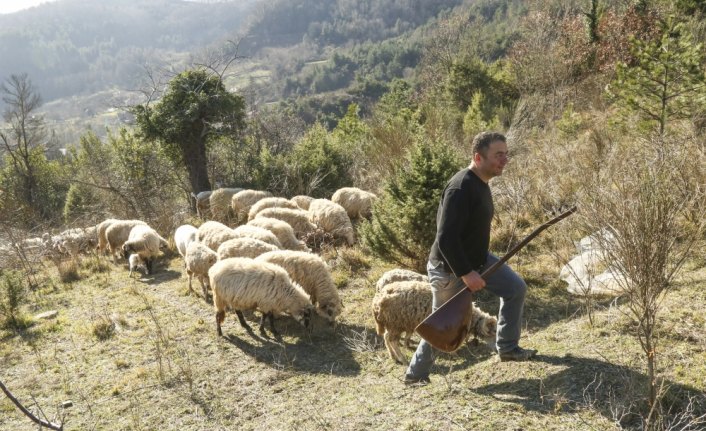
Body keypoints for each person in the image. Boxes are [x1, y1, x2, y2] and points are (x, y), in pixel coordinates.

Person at [404, 131, 536, 386]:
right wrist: (465, 273)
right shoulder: (460, 187)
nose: (504, 160)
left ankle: (507, 347)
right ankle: (415, 375)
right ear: (478, 157)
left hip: (477, 260)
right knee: (445, 324)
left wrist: (473, 265)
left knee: (515, 288)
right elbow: (446, 239)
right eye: (498, 155)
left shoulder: (481, 183)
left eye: (506, 154)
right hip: (449, 269)